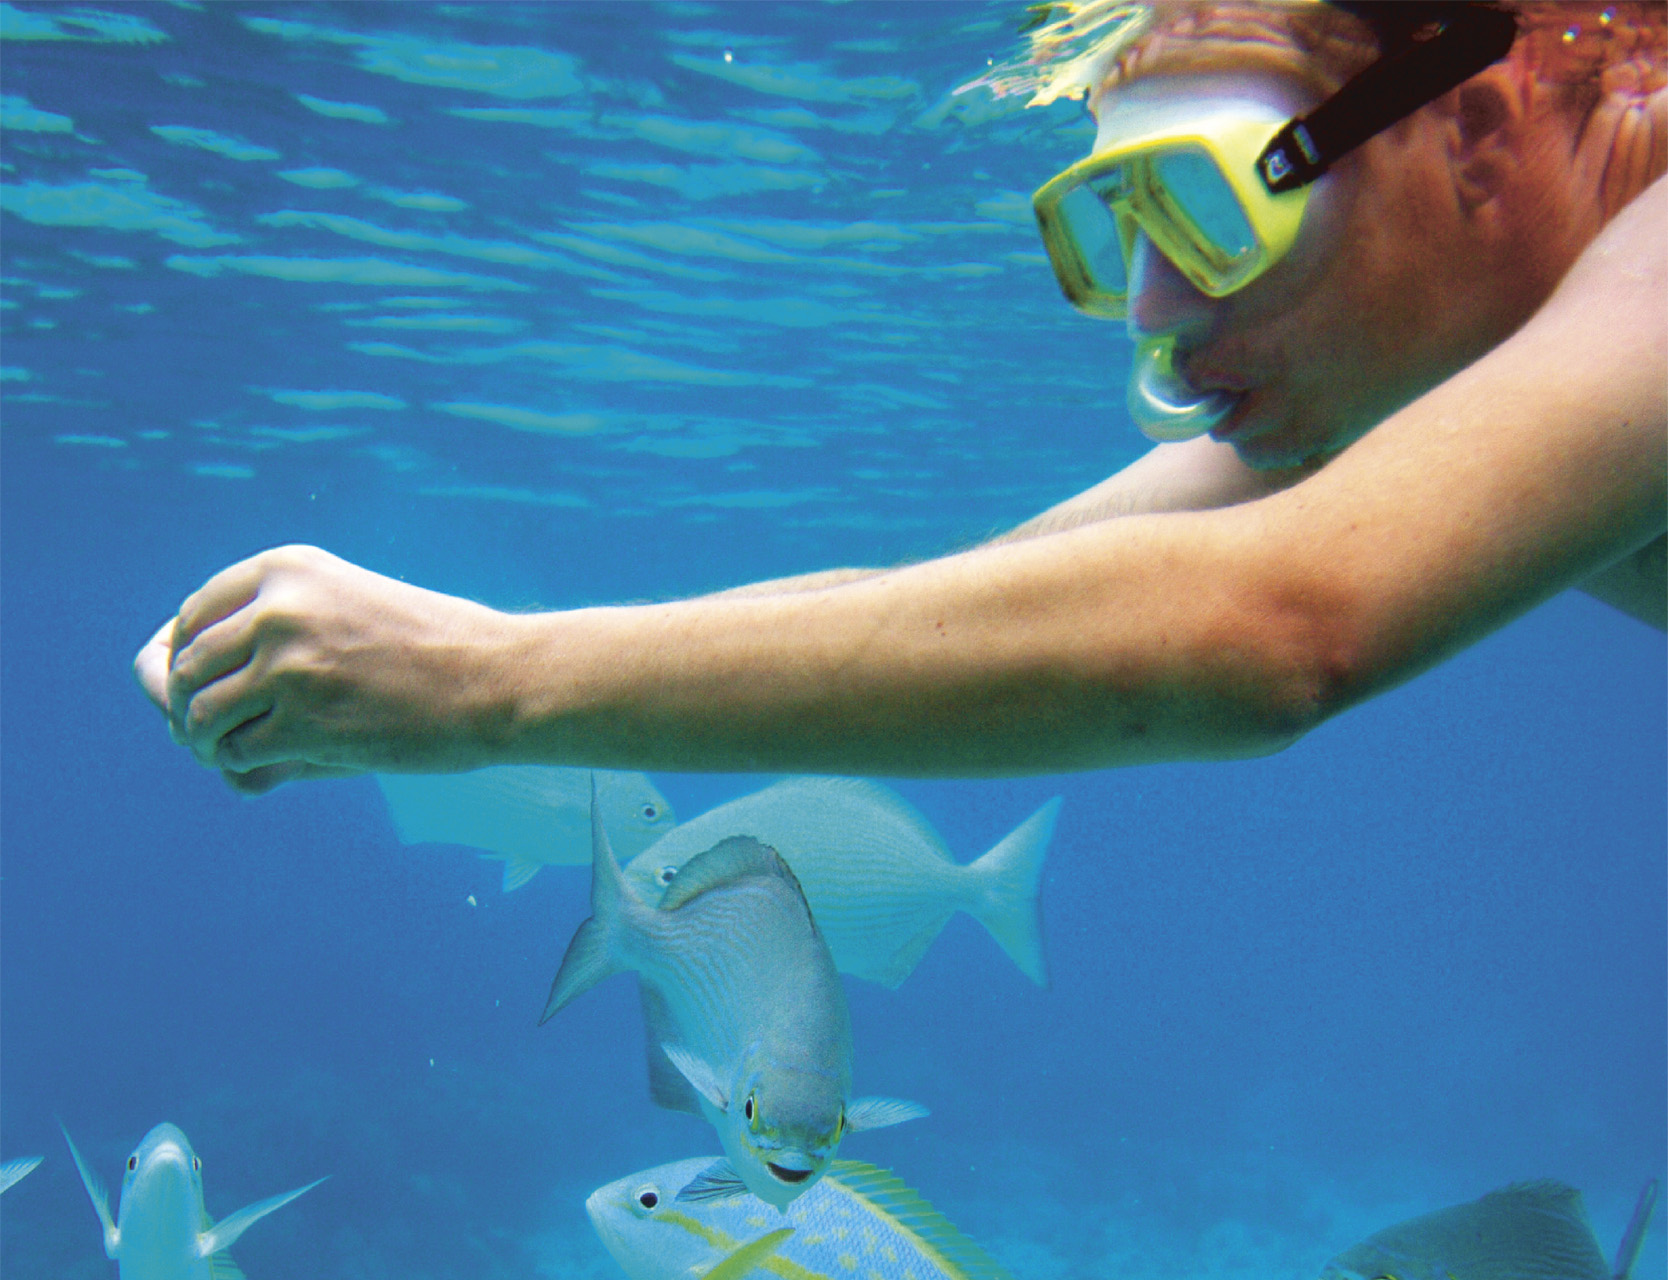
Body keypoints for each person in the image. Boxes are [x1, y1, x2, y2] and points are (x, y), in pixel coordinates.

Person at [137, 0, 1665, 796]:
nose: (1152, 313)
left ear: (1470, 129)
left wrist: (488, 688)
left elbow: (1275, 632)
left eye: (1205, 210)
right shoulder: (1425, 370)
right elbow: (956, 607)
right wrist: (380, 682)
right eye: (1110, 235)